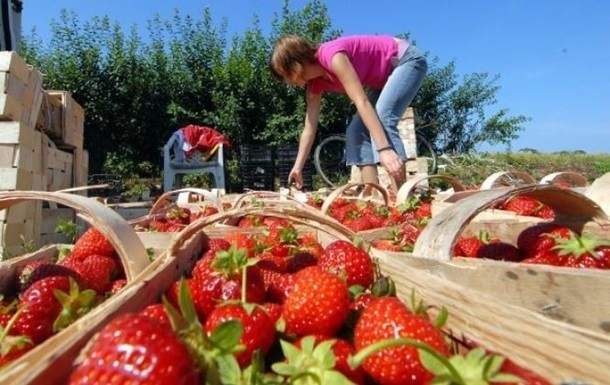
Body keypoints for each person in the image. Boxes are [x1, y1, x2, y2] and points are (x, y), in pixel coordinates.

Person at [269, 34, 428, 191]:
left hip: (405, 60)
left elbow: (362, 101)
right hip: (381, 81)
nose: (288, 82)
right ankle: (372, 194)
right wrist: (298, 167)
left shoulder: (332, 57)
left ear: (295, 64)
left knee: (383, 118)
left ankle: (402, 199)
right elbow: (309, 127)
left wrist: (384, 149)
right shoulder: (314, 85)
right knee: (356, 131)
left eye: (286, 75)